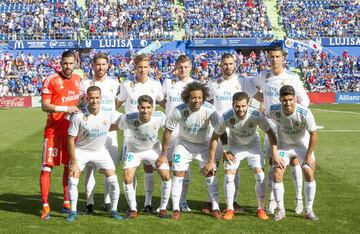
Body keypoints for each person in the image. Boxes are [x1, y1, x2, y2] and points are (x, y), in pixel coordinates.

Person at [253, 46, 310, 214]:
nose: (274, 59)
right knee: (273, 163)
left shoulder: (292, 77)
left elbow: (305, 100)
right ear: (268, 58)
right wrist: (261, 103)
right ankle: (272, 201)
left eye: (277, 56)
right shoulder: (264, 75)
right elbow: (255, 92)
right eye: (271, 56)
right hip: (271, 127)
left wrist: (293, 115)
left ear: (282, 57)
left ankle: (299, 199)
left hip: (289, 128)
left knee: (294, 161)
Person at [209, 92, 277, 220]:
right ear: (233, 105)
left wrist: (275, 153)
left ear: (248, 104)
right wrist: (225, 150)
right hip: (234, 146)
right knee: (229, 175)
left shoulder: (256, 115)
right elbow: (215, 136)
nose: (240, 109)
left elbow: (270, 133)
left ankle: (261, 209)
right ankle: (229, 209)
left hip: (253, 146)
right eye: (237, 106)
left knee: (260, 175)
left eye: (243, 106)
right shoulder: (226, 116)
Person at [160, 81, 221, 220]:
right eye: (193, 97)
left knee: (211, 173)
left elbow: (219, 131)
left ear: (203, 97)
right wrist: (164, 154)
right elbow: (168, 131)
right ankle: (176, 208)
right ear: (187, 97)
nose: (196, 100)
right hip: (184, 145)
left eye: (199, 97)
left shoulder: (210, 110)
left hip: (203, 145)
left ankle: (216, 207)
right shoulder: (179, 110)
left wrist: (217, 155)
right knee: (178, 174)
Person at [206, 53, 259, 213]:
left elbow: (259, 97)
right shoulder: (213, 83)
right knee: (212, 165)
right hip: (216, 130)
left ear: (235, 64)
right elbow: (206, 104)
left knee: (233, 168)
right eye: (225, 64)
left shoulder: (242, 81)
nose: (228, 67)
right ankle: (211, 202)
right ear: (220, 66)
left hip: (235, 132)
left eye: (230, 64)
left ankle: (233, 202)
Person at [66, 86, 122, 222]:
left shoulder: (108, 114)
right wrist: (73, 162)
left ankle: (113, 210)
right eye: (91, 98)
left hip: (100, 151)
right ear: (87, 98)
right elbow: (70, 139)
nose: (94, 100)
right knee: (73, 179)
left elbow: (111, 125)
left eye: (97, 98)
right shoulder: (78, 116)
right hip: (81, 151)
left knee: (113, 181)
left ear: (101, 98)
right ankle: (73, 212)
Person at [116, 54, 164, 213]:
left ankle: (148, 203)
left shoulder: (156, 85)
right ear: (135, 68)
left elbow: (163, 103)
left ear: (149, 67)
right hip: (131, 136)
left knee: (149, 169)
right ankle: (133, 204)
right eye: (139, 67)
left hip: (150, 136)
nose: (142, 70)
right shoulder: (126, 85)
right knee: (131, 170)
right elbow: (116, 104)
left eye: (145, 66)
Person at [39, 50, 81, 220]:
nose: (68, 66)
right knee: (47, 167)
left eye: (71, 63)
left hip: (71, 132)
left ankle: (66, 202)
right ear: (60, 62)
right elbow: (44, 105)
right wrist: (65, 109)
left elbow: (80, 102)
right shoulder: (52, 79)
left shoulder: (78, 80)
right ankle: (45, 206)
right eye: (65, 63)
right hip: (53, 132)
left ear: (75, 63)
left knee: (68, 167)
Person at [116, 95, 171, 219]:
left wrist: (164, 154)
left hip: (153, 149)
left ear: (153, 108)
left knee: (166, 176)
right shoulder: (128, 118)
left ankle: (162, 209)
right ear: (138, 107)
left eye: (148, 107)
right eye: (142, 107)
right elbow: (115, 127)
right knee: (127, 177)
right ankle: (133, 209)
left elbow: (168, 131)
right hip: (134, 150)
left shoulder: (160, 116)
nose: (145, 110)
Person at [269, 85, 318, 221]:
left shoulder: (305, 113)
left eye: (291, 99)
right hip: (284, 146)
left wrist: (308, 156)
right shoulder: (274, 110)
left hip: (302, 145)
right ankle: (281, 211)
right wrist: (274, 152)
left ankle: (309, 210)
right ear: (280, 100)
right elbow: (267, 127)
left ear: (295, 99)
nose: (288, 103)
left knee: (308, 171)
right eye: (285, 100)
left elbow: (314, 134)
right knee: (277, 172)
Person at [80, 53, 121, 214]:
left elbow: (116, 104)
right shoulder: (85, 83)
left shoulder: (115, 83)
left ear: (108, 65)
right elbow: (81, 104)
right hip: (90, 131)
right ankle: (89, 203)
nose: (101, 67)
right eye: (98, 64)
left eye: (104, 64)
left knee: (109, 168)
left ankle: (107, 201)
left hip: (108, 131)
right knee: (89, 169)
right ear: (93, 65)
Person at [161, 55, 194, 212]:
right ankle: (166, 201)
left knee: (184, 169)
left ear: (190, 67)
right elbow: (161, 100)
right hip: (170, 132)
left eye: (186, 67)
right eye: (180, 67)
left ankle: (182, 201)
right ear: (176, 67)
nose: (183, 70)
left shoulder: (195, 84)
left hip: (187, 133)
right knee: (167, 167)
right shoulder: (168, 83)